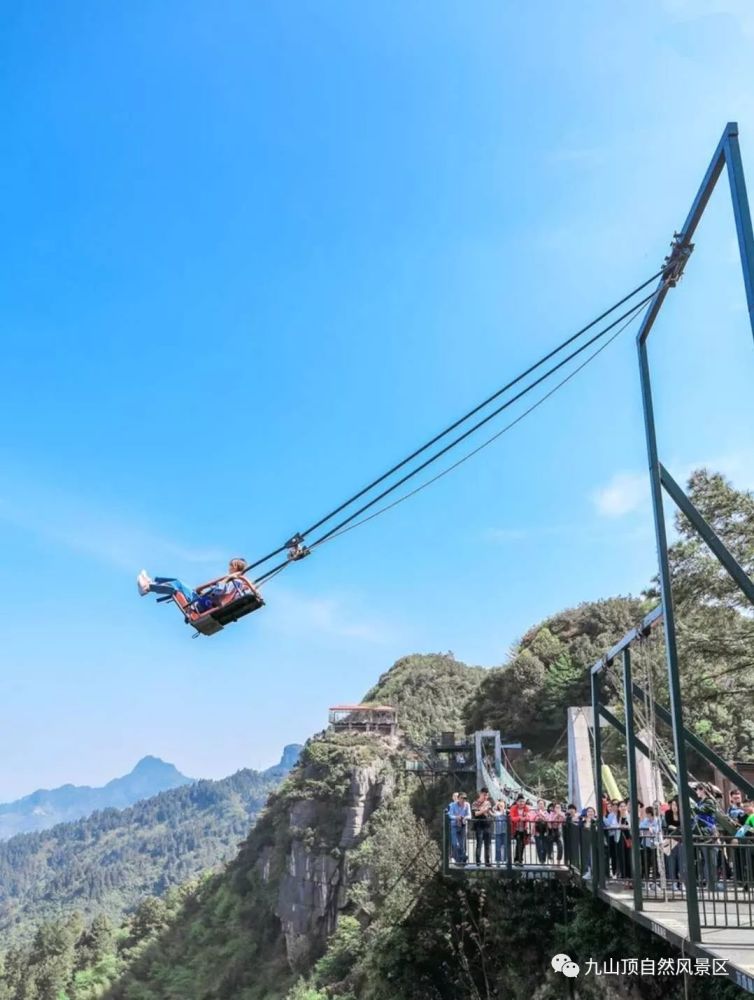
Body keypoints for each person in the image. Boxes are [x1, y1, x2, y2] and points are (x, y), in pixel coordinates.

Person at [137, 559, 261, 611]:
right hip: (204, 600)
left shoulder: (234, 581)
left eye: (230, 566)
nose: (228, 568)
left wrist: (226, 579)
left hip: (201, 604)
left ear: (234, 568)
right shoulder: (239, 583)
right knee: (177, 582)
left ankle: (147, 587)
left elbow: (218, 591)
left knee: (176, 586)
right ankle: (151, 583)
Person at [471, 787, 494, 867]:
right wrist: (483, 811)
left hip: (487, 825)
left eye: (487, 795)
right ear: (480, 794)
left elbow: (491, 813)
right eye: (484, 795)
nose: (485, 797)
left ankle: (487, 862)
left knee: (488, 845)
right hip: (479, 826)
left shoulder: (488, 803)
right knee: (479, 844)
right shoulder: (475, 803)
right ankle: (478, 861)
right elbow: (475, 814)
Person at [448, 793, 470, 865]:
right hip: (454, 825)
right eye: (462, 798)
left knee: (462, 844)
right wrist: (456, 817)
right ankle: (457, 859)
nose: (463, 800)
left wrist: (465, 818)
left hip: (462, 825)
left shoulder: (467, 805)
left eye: (465, 798)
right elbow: (450, 815)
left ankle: (460, 861)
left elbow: (469, 815)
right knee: (455, 844)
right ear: (458, 798)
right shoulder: (453, 805)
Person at [533, 798, 550, 864]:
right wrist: (538, 817)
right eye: (539, 804)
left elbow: (548, 819)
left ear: (544, 805)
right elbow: (533, 819)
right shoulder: (535, 812)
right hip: (537, 830)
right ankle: (541, 860)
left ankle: (544, 859)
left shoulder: (546, 812)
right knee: (539, 846)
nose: (540, 805)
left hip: (545, 830)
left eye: (542, 804)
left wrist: (542, 816)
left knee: (545, 846)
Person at [492, 799, 508, 866]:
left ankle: (505, 860)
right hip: (498, 832)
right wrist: (497, 804)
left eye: (502, 805)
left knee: (505, 846)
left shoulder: (506, 812)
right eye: (500, 806)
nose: (501, 807)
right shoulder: (496, 812)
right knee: (498, 847)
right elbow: (493, 811)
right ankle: (498, 860)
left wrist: (504, 810)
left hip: (505, 831)